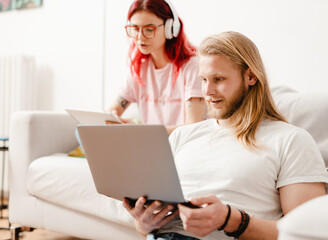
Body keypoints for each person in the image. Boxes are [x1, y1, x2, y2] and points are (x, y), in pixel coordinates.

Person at [122, 31, 328, 240]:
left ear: (251, 76)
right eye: (203, 80)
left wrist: (230, 220)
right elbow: (146, 225)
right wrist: (145, 223)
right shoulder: (183, 136)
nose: (207, 91)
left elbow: (309, 234)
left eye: (218, 79)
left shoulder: (291, 140)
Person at [107, 0, 206, 134]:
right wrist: (112, 120)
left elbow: (193, 127)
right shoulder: (139, 69)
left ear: (170, 28)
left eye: (149, 29)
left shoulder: (192, 67)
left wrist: (142, 132)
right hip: (153, 148)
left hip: (184, 150)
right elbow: (110, 113)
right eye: (135, 29)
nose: (140, 37)